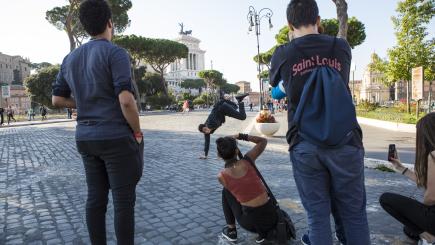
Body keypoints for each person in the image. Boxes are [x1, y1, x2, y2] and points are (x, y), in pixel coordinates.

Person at [269, 0, 370, 244]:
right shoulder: (341, 47)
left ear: (289, 24)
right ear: (318, 20)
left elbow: (276, 86)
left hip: (305, 143)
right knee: (354, 214)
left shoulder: (284, 53)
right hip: (346, 141)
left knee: (317, 217)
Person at [51, 0, 143, 244]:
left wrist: (84, 102)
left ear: (83, 26)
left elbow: (57, 99)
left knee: (95, 199)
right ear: (111, 23)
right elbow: (126, 101)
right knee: (123, 203)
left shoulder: (69, 59)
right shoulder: (116, 53)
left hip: (85, 139)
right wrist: (137, 131)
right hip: (115, 138)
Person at [379, 112, 435, 245]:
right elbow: (428, 183)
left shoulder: (433, 155)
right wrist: (401, 168)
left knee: (386, 199)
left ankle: (430, 237)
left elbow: (431, 197)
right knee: (409, 228)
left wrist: (421, 207)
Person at [217, 134, 277, 243]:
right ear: (236, 151)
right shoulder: (248, 160)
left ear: (219, 155)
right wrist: (241, 136)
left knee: (226, 192)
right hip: (272, 217)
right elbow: (263, 141)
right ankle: (264, 233)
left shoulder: (222, 176)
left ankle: (231, 231)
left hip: (251, 224)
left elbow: (237, 191)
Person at [198, 93, 249, 159]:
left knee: (242, 116)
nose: (206, 131)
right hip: (224, 111)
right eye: (204, 132)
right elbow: (207, 142)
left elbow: (215, 109)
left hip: (223, 107)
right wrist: (205, 155)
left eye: (205, 129)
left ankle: (239, 100)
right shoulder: (207, 132)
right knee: (239, 112)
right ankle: (239, 100)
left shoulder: (210, 122)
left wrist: (219, 154)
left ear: (206, 125)